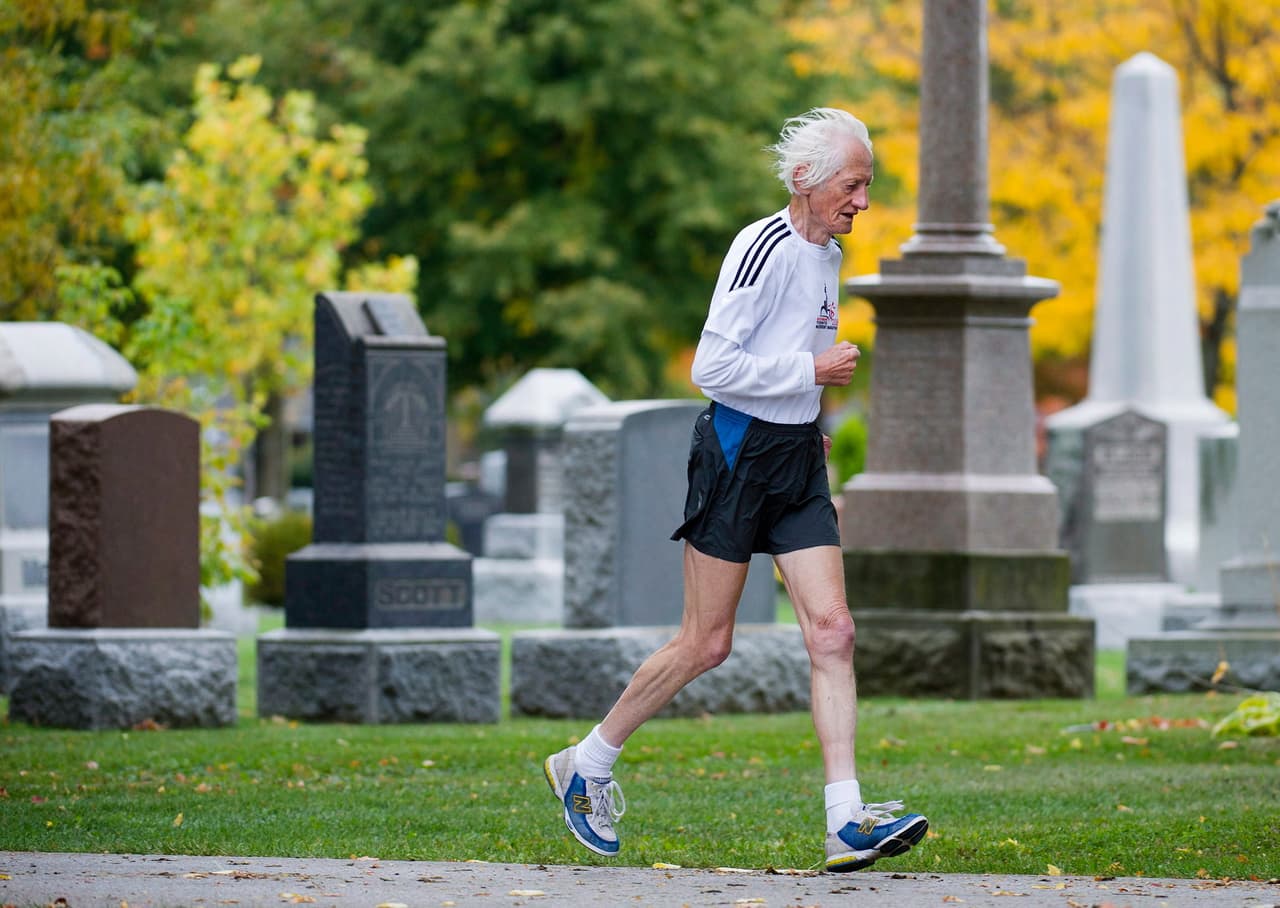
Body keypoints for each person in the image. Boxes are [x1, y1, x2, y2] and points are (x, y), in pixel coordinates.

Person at [543, 107, 928, 873]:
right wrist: (807, 377)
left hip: (792, 455)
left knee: (834, 631)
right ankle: (585, 764)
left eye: (866, 187)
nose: (862, 202)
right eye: (853, 186)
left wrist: (806, 416)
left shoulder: (829, 257)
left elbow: (794, 349)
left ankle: (844, 820)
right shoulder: (762, 246)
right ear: (804, 180)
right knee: (706, 643)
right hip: (735, 451)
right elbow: (712, 368)